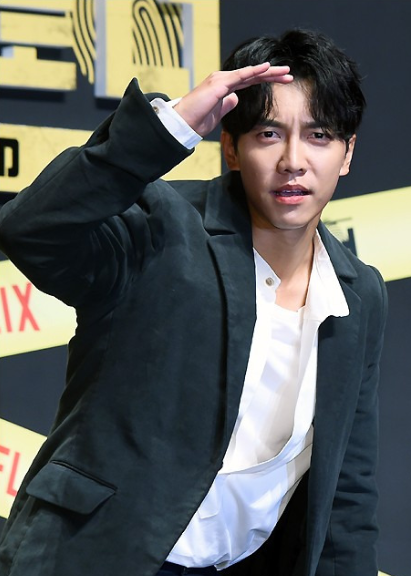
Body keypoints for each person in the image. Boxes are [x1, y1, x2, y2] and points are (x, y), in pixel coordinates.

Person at [0, 28, 387, 576]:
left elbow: (346, 489)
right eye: (268, 134)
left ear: (347, 153)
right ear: (231, 148)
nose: (293, 160)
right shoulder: (161, 225)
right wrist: (165, 130)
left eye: (319, 135)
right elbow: (31, 230)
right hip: (97, 556)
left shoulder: (358, 293)